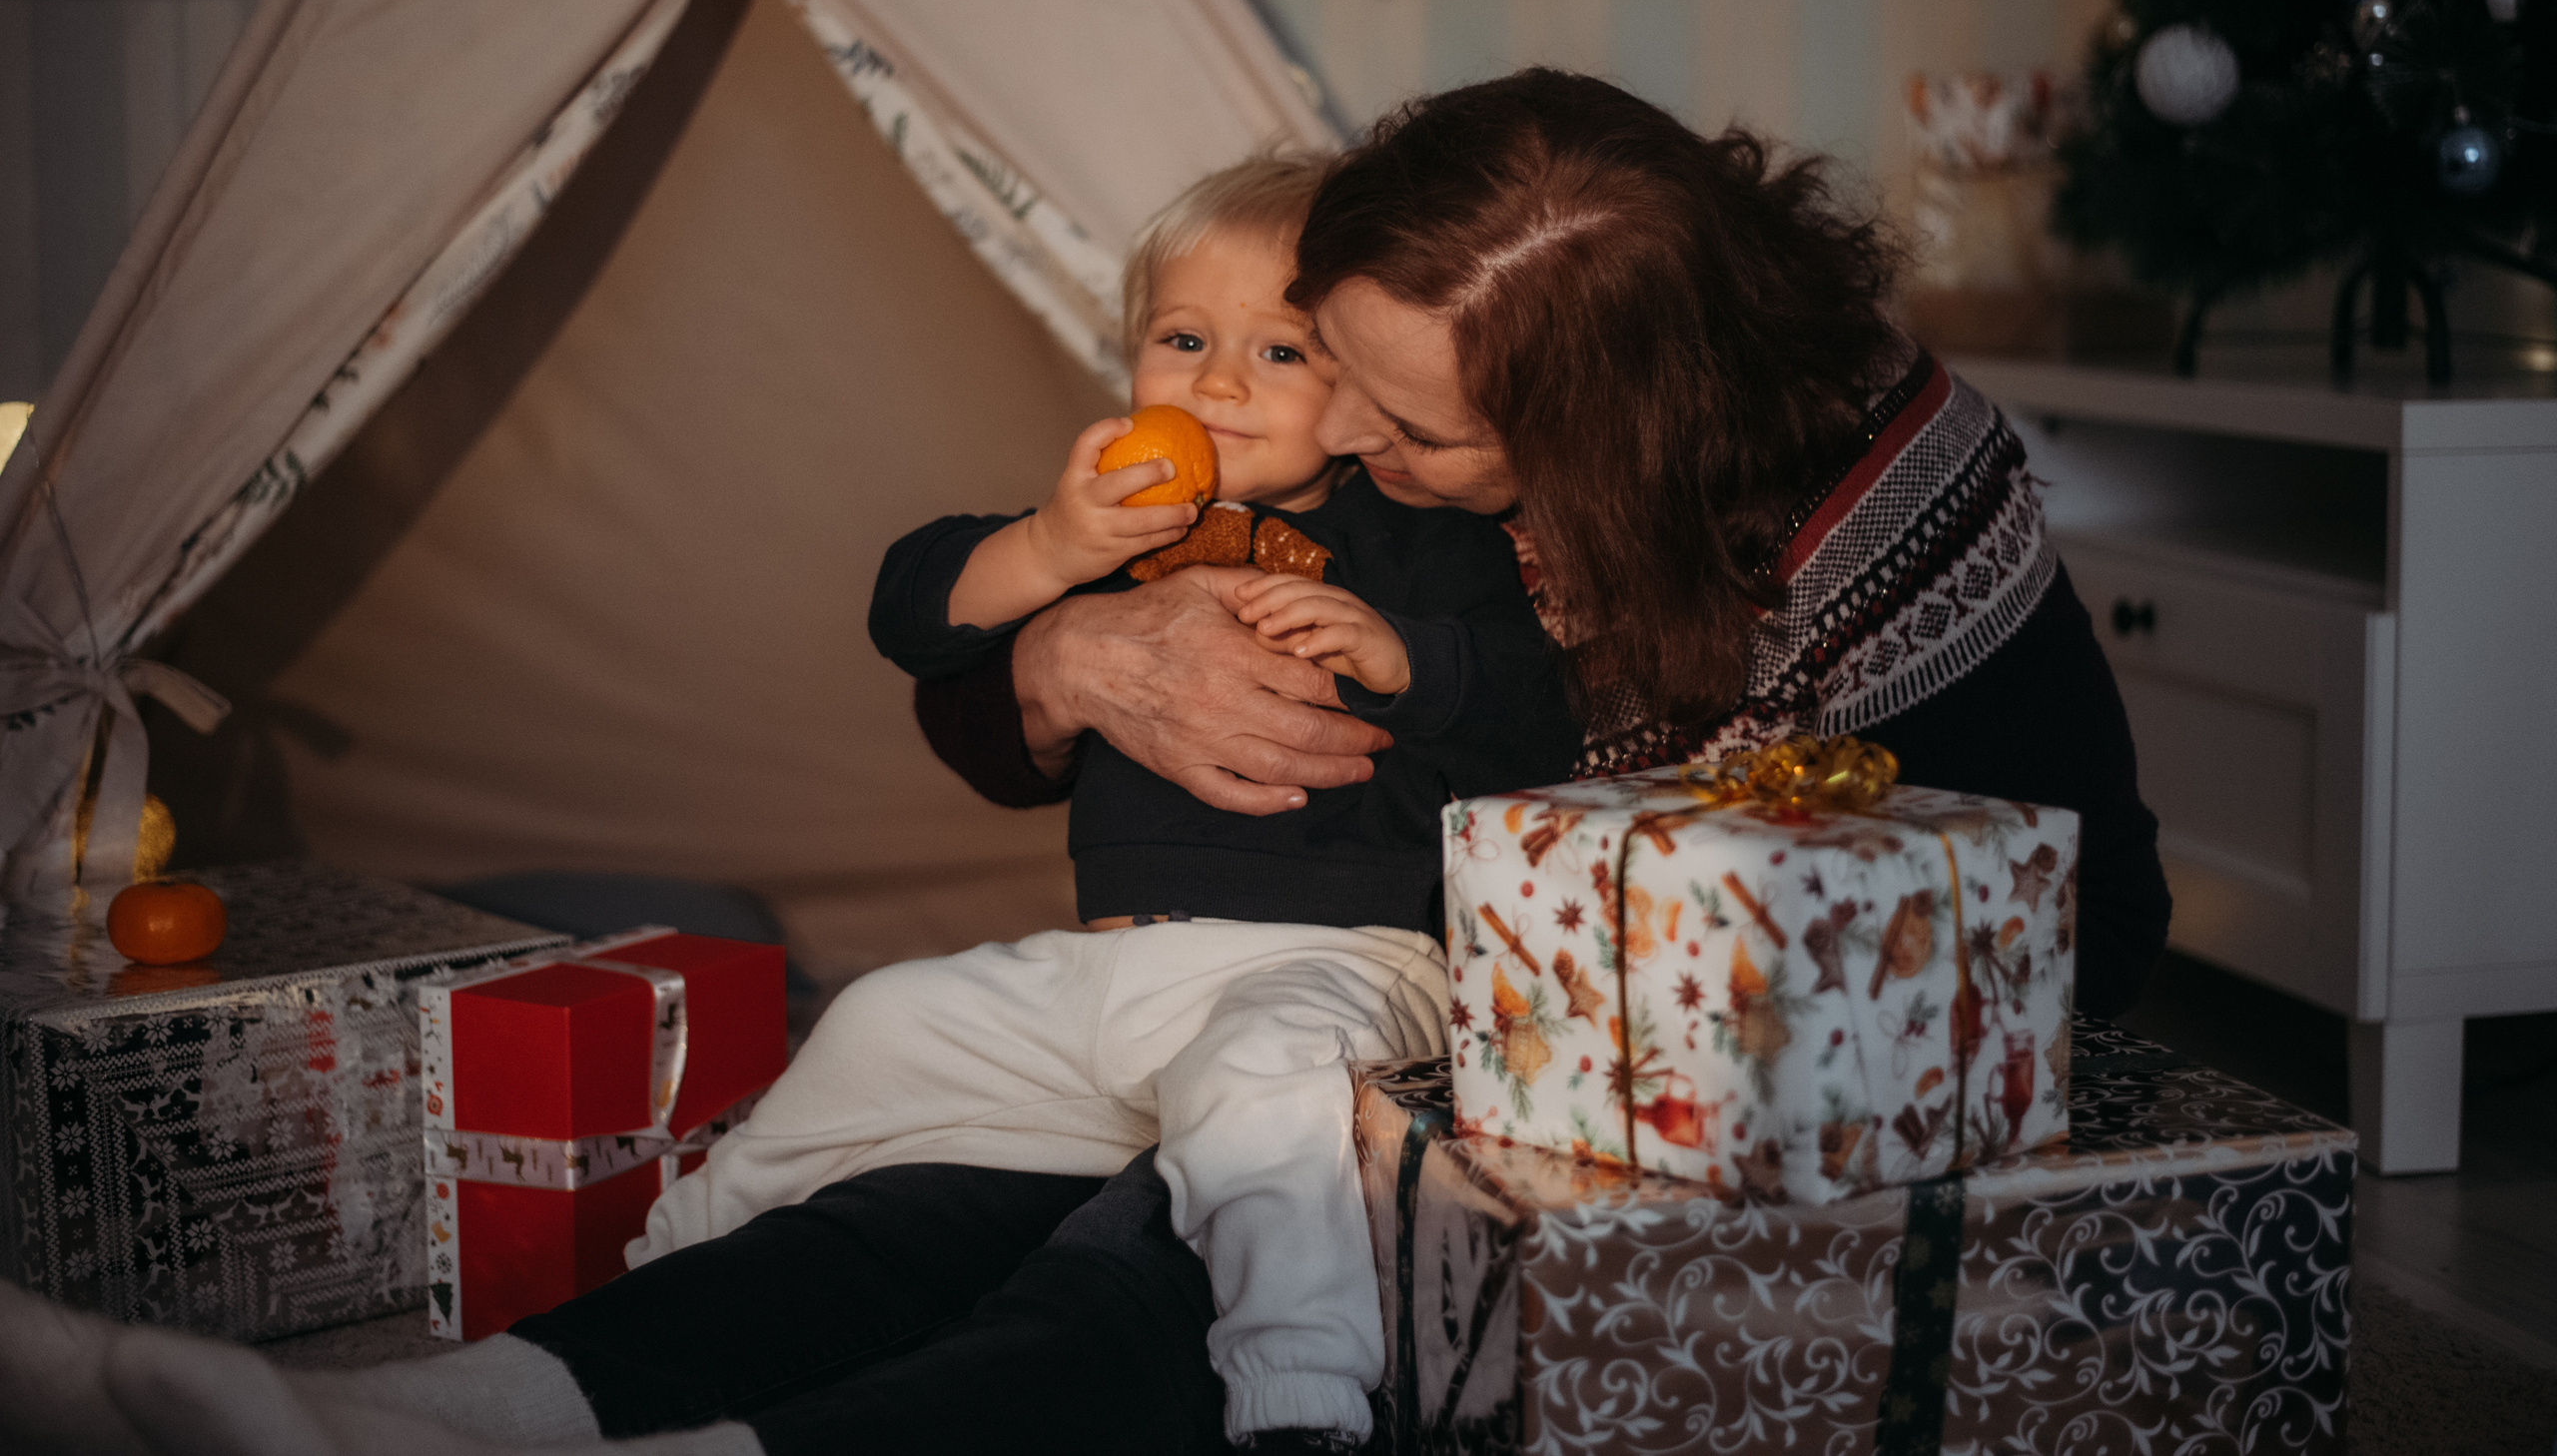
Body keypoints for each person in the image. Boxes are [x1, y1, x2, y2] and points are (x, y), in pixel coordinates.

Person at [0, 71, 2170, 1456]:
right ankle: (439, 1413)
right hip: (1318, 970)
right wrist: (1062, 648)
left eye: (1408, 428)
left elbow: (2077, 938)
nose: (1368, 459)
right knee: (922, 1150)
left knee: (1156, 1236)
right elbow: (995, 712)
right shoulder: (1467, 445)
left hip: (1600, 1075)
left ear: (1605, 426)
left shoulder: (1855, 514)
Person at [630, 152, 1577, 1452]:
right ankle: (677, 1246)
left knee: (1271, 1100)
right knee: (881, 1016)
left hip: (1342, 962)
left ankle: (1300, 1390)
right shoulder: (1115, 523)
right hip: (1109, 977)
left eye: (1282, 352)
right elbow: (910, 609)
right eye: (1182, 338)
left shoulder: (1426, 540)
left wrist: (1407, 656)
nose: (1219, 382)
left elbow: (1538, 702)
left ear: (1367, 380)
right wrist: (1051, 554)